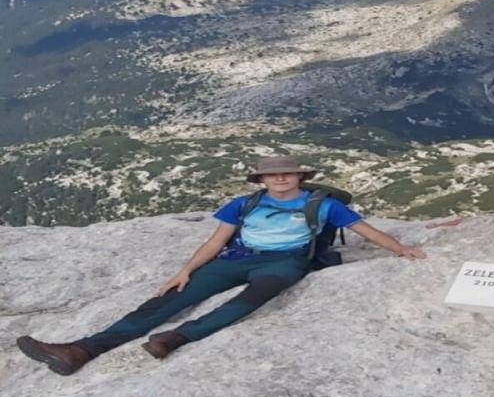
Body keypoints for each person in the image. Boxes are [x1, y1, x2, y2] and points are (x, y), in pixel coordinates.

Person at [15, 155, 426, 375]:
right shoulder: (243, 204)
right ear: (261, 181)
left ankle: (176, 339)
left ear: (300, 176)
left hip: (287, 262)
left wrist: (399, 249)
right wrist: (184, 271)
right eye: (273, 175)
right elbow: (216, 240)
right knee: (165, 300)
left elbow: (363, 229)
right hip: (237, 258)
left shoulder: (324, 205)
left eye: (287, 174)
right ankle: (80, 350)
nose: (281, 179)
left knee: (249, 301)